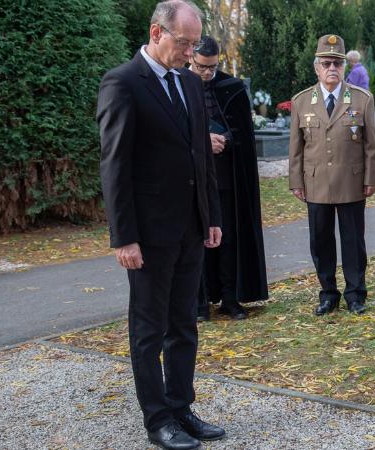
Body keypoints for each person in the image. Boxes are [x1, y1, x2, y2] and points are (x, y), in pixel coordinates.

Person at [97, 1, 227, 449]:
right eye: (184, 43)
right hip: (148, 235)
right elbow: (115, 166)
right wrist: (124, 236)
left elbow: (200, 156)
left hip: (190, 227)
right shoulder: (123, 83)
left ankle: (181, 407)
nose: (190, 53)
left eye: (195, 44)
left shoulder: (190, 83)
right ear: (157, 33)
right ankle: (158, 420)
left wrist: (210, 215)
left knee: (184, 324)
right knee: (149, 328)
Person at [289, 34, 375, 316]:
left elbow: (371, 146)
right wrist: (296, 182)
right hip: (316, 184)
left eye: (337, 64)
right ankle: (328, 294)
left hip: (351, 182)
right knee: (321, 242)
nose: (332, 68)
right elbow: (296, 148)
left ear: (344, 68)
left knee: (353, 242)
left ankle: (355, 294)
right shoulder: (302, 101)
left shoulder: (362, 100)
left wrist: (371, 179)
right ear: (316, 68)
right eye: (326, 63)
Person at [188, 36, 268, 322]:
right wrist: (202, 141)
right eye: (201, 67)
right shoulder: (180, 85)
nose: (207, 73)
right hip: (193, 181)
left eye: (212, 67)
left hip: (226, 179)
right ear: (191, 59)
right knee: (196, 240)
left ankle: (230, 297)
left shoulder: (231, 88)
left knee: (228, 239)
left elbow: (244, 133)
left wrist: (226, 139)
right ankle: (198, 302)